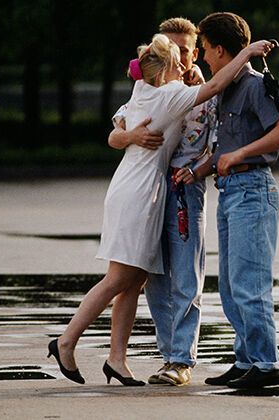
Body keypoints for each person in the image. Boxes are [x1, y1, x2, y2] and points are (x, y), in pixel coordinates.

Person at [47, 33, 274, 386]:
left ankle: (117, 360)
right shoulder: (170, 95)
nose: (185, 63)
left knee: (135, 278)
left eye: (188, 54)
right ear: (167, 65)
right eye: (178, 58)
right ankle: (65, 341)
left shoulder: (145, 90)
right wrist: (246, 52)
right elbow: (214, 86)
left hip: (146, 187)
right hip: (141, 191)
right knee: (121, 277)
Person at [108, 17, 215, 387]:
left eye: (184, 51)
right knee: (154, 278)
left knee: (186, 274)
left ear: (195, 52)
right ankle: (168, 354)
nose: (178, 59)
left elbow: (219, 143)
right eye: (170, 51)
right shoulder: (151, 86)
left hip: (185, 189)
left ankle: (182, 359)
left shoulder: (205, 93)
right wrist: (132, 136)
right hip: (150, 191)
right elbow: (116, 132)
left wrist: (200, 170)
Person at [197, 12, 279, 389]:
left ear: (220, 50)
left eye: (205, 50)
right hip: (231, 190)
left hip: (253, 189)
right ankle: (246, 359)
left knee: (250, 284)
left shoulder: (254, 85)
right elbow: (224, 146)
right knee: (233, 286)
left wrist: (238, 157)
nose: (204, 58)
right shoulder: (224, 88)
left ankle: (268, 366)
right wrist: (197, 170)